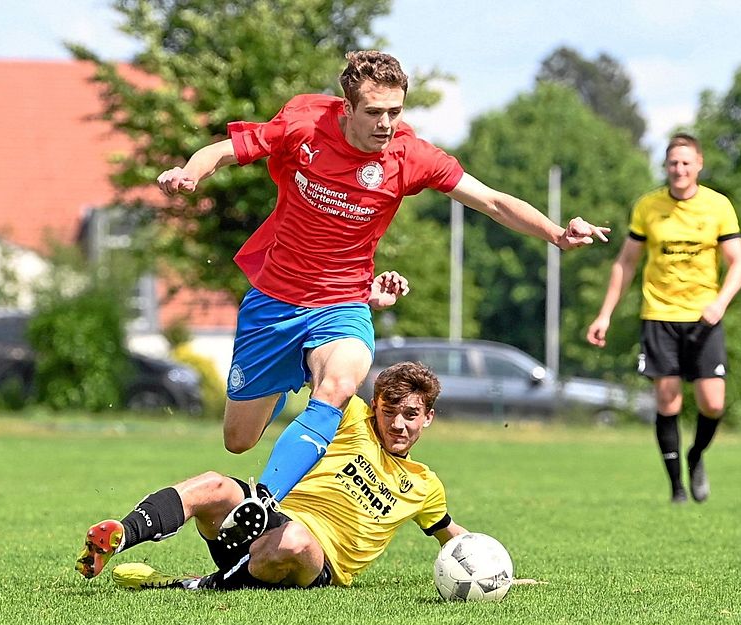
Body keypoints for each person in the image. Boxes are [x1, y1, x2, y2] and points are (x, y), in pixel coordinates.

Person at [157, 50, 610, 536]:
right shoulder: (305, 126)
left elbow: (494, 201)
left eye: (395, 111)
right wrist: (190, 173)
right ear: (346, 108)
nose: (386, 123)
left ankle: (262, 504)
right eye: (374, 112)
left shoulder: (410, 157)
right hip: (275, 301)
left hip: (344, 303)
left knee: (339, 385)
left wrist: (556, 234)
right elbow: (224, 149)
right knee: (239, 440)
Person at [75, 361, 479, 591]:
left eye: (410, 415)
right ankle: (120, 535)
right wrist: (364, 302)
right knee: (214, 484)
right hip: (267, 519)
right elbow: (321, 361)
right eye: (389, 412)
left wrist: (496, 574)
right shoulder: (351, 417)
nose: (398, 425)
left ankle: (202, 584)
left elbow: (452, 538)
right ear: (375, 406)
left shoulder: (425, 486)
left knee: (297, 540)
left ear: (428, 417)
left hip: (312, 561)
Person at [586, 133, 741, 504]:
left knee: (713, 404)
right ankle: (677, 488)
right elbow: (625, 263)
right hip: (659, 315)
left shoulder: (718, 206)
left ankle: (695, 457)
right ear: (666, 165)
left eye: (686, 162)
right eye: (673, 162)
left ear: (699, 165)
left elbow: (738, 263)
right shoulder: (648, 207)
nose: (679, 169)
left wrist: (720, 303)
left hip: (705, 318)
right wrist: (605, 314)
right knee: (668, 401)